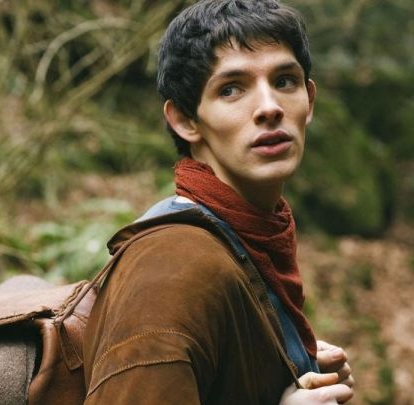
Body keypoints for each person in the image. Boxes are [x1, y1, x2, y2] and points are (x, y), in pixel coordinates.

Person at [82, 0, 354, 403]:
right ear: (185, 120)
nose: (269, 107)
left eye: (285, 81)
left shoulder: (246, 241)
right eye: (231, 89)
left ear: (309, 101)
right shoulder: (171, 267)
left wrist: (294, 361)